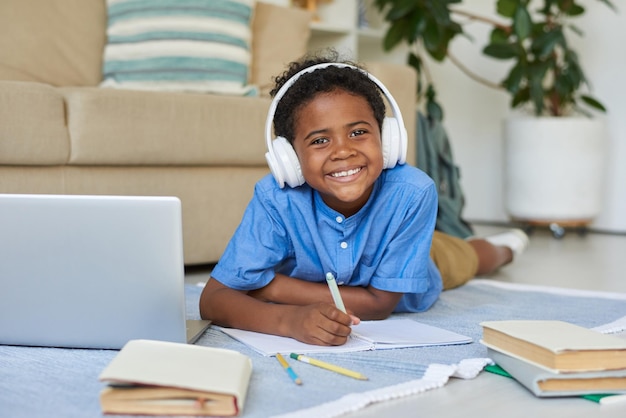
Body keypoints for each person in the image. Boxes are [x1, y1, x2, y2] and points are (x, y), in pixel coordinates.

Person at [199, 51, 528, 346]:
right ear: (289, 159)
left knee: (468, 256)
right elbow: (213, 299)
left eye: (358, 132)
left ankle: (507, 247)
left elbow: (379, 304)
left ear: (387, 139)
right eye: (319, 141)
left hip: (418, 261)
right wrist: (288, 321)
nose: (343, 151)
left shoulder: (412, 192)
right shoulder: (276, 198)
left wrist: (270, 288)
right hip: (355, 270)